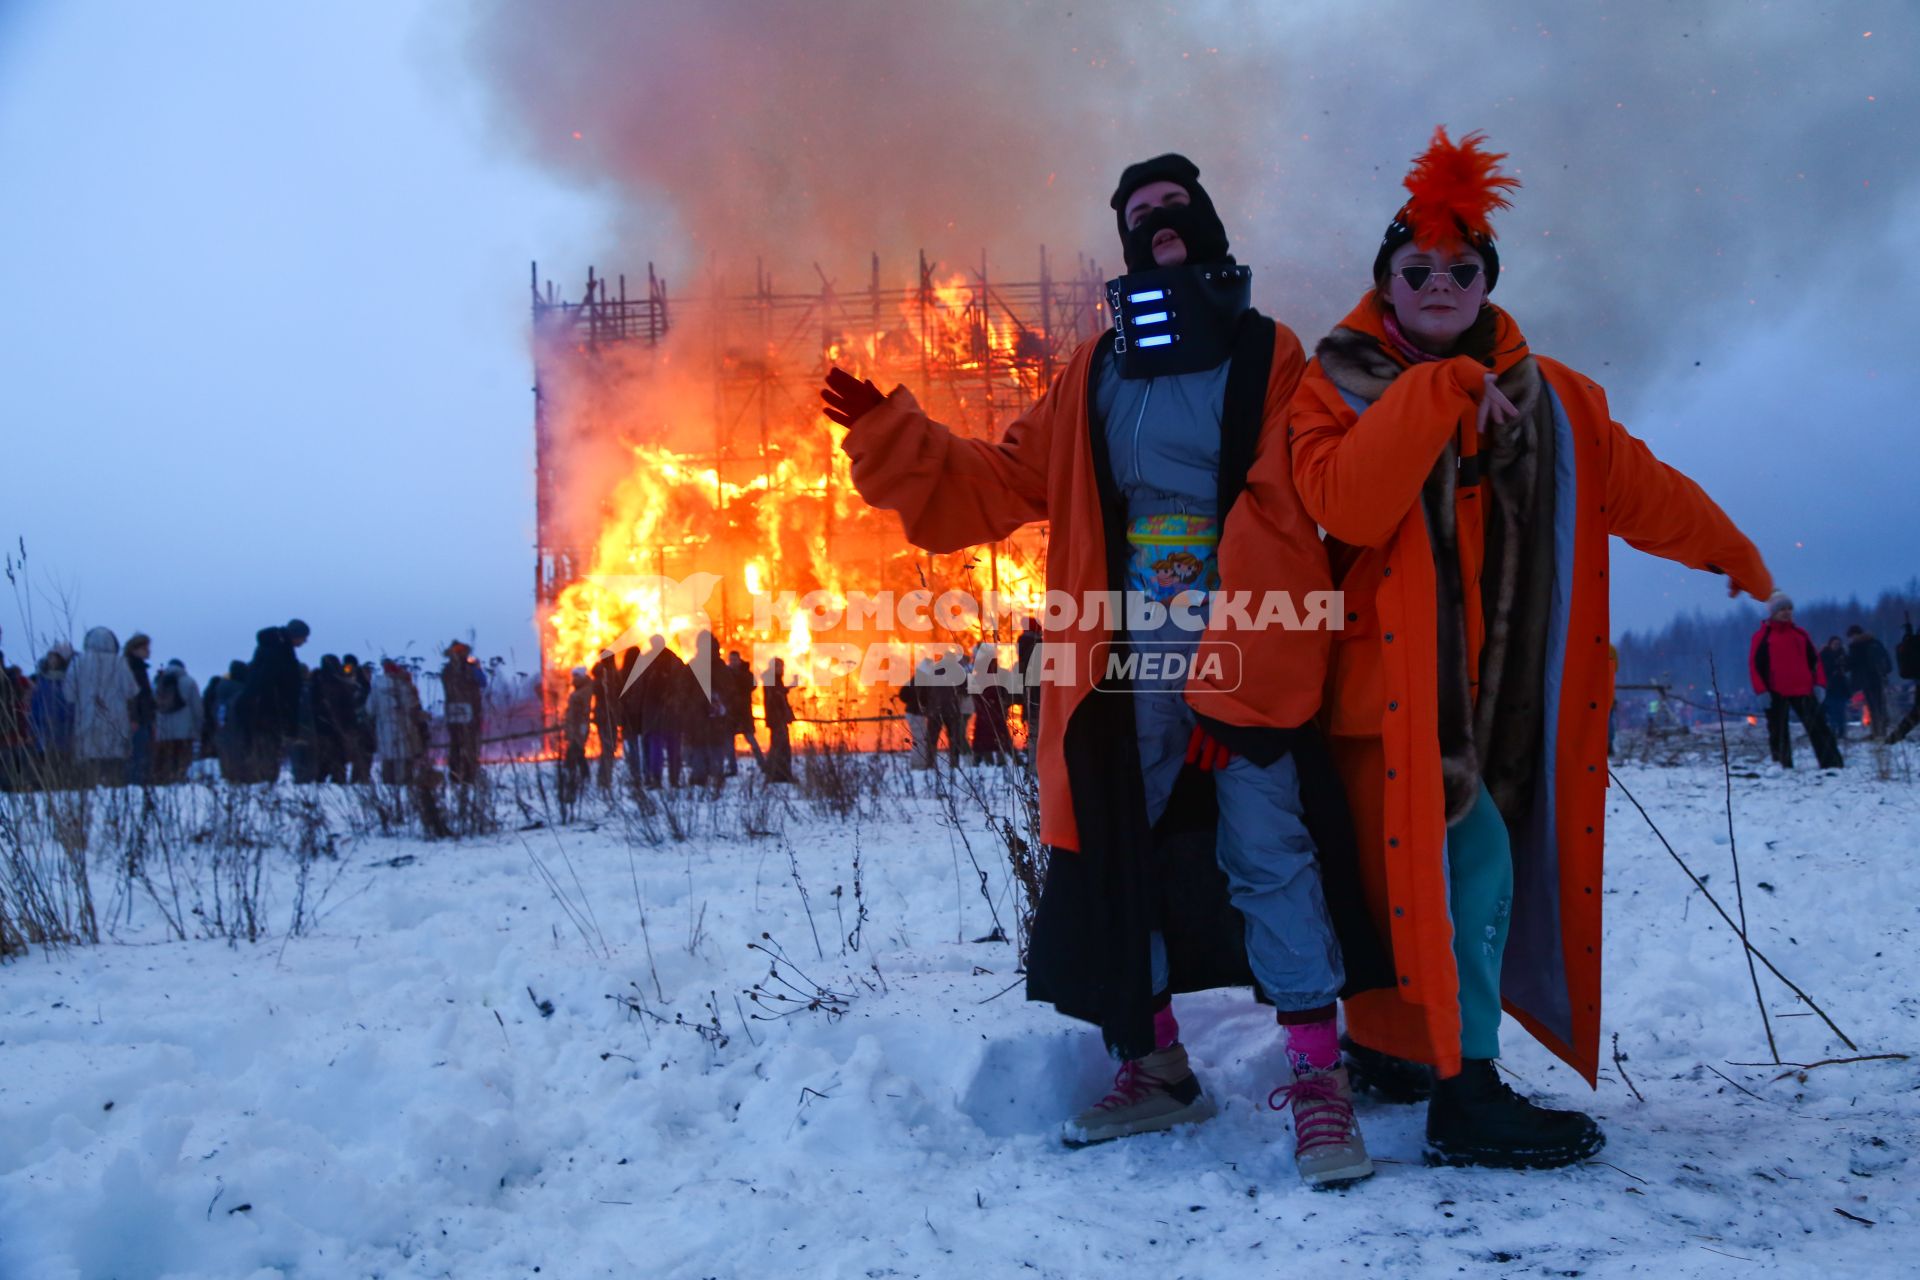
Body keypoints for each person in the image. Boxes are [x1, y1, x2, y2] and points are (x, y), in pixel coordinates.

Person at [828, 153, 1388, 1187]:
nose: (1157, 220)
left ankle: (1318, 1082)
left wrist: (1240, 676)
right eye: (1138, 214)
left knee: (1271, 848)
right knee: (1119, 852)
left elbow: (1296, 511)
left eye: (1174, 206)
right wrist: (892, 434)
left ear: (1206, 223)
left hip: (1245, 637)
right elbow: (1001, 480)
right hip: (1115, 651)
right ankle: (1156, 1064)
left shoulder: (1271, 355)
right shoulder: (1093, 368)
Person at [1290, 128, 1775, 1169]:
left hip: (1503, 693)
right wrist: (1436, 395)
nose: (1439, 285)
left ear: (1486, 282)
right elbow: (1349, 500)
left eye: (1461, 270)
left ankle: (1400, 1056)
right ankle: (1465, 1094)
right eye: (1416, 269)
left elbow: (1637, 487)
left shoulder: (1550, 397)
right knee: (1436, 878)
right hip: (1385, 704)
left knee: (1439, 892)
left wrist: (1730, 550)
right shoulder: (1332, 386)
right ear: (1384, 280)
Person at [1751, 595, 1844, 769]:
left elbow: (1815, 661)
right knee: (1778, 731)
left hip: (1804, 690)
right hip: (1775, 692)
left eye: (1789, 609)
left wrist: (1819, 684)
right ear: (1773, 613)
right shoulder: (1762, 637)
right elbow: (1755, 666)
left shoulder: (1800, 634)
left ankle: (1832, 763)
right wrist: (1761, 691)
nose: (1786, 613)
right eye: (1782, 609)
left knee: (1819, 728)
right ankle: (1782, 765)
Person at [65, 626, 138, 787]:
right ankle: (113, 793)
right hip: (115, 719)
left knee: (90, 764)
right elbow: (131, 691)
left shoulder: (79, 662)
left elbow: (69, 694)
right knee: (113, 764)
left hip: (87, 720)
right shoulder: (120, 663)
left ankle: (90, 790)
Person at [240, 619, 310, 782]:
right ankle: (264, 784)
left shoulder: (268, 648)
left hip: (257, 709)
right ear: (295, 635)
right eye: (303, 637)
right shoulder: (280, 652)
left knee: (260, 750)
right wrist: (289, 720)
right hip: (270, 711)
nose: (305, 642)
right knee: (268, 752)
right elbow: (286, 687)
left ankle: (259, 781)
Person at [368, 658, 425, 785]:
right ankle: (404, 786)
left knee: (388, 761)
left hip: (383, 729)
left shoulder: (376, 686)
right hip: (403, 729)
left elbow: (370, 709)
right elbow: (412, 706)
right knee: (403, 761)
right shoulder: (404, 686)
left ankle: (387, 787)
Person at [29, 643, 76, 785]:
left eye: (56, 657)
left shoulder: (70, 680)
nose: (52, 661)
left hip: (64, 728)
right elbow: (35, 704)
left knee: (63, 761)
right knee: (44, 761)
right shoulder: (41, 679)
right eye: (50, 657)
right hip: (43, 727)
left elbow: (72, 705)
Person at [151, 659, 204, 784]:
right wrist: (198, 728)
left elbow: (153, 706)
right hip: (184, 731)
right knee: (182, 762)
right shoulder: (189, 681)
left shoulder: (158, 682)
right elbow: (197, 708)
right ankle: (179, 782)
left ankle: (163, 785)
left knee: (165, 762)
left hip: (163, 731)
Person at [311, 655, 359, 784]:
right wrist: (351, 726)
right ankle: (337, 782)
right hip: (337, 728)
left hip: (321, 727)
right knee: (338, 758)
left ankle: (320, 781)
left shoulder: (316, 682)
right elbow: (347, 707)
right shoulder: (340, 683)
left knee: (323, 758)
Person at [968, 641, 1015, 765]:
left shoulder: (978, 675)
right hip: (995, 710)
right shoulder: (1001, 673)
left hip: (987, 711)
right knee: (998, 735)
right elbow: (1009, 691)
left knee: (985, 736)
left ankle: (986, 761)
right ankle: (1002, 761)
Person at [1845, 624, 1894, 740]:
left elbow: (1853, 664)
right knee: (1880, 704)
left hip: (1867, 679)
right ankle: (1881, 730)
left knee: (1873, 706)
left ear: (1854, 635)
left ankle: (1877, 732)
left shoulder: (1857, 646)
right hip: (1879, 678)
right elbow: (1886, 660)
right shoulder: (1875, 642)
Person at [722, 650, 766, 774]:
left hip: (744, 714)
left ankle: (763, 765)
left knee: (752, 741)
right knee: (729, 743)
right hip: (730, 713)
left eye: (735, 660)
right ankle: (732, 768)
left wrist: (739, 675)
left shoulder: (746, 674)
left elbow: (753, 685)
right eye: (731, 660)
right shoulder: (725, 674)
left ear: (739, 660)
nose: (733, 662)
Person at [124, 632, 156, 785]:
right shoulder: (132, 667)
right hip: (138, 720)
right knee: (137, 755)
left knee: (142, 754)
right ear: (134, 649)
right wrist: (134, 717)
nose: (148, 651)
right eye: (145, 648)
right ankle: (135, 785)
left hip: (144, 718)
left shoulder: (140, 668)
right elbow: (133, 696)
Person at [561, 665, 593, 802]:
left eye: (576, 676)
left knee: (575, 751)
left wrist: (579, 727)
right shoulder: (579, 690)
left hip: (579, 726)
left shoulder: (584, 692)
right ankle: (581, 776)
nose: (574, 679)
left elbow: (582, 711)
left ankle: (572, 775)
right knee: (578, 751)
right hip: (574, 726)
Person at [761, 655, 795, 783]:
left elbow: (779, 694)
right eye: (780, 666)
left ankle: (778, 774)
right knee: (780, 747)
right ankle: (778, 775)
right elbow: (776, 696)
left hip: (777, 719)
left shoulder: (774, 679)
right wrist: (788, 688)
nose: (782, 669)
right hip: (776, 719)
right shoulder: (771, 679)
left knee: (780, 746)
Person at [1818, 635, 1852, 743]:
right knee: (1832, 710)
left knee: (1841, 710)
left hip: (1841, 686)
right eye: (1834, 644)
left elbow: (1848, 667)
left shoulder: (1843, 655)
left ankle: (1841, 732)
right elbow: (1822, 668)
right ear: (1830, 644)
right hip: (1829, 686)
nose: (1836, 646)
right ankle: (1833, 731)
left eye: (1838, 644)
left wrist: (1842, 667)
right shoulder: (1824, 655)